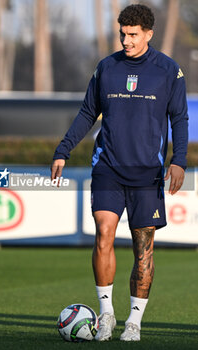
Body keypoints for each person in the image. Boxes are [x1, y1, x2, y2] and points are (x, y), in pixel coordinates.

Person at [51, 4, 188, 342]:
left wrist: (179, 159)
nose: (126, 41)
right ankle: (108, 314)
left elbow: (179, 119)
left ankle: (134, 322)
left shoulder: (168, 71)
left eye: (133, 35)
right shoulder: (106, 68)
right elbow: (87, 113)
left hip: (147, 174)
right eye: (122, 34)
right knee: (104, 232)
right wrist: (63, 150)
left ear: (148, 34)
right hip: (107, 167)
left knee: (143, 248)